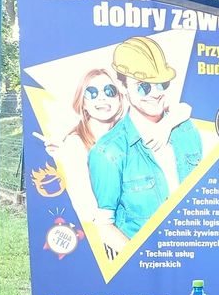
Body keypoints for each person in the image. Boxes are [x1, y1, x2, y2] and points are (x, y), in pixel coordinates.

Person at [88, 36, 203, 255]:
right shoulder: (108, 152)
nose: (156, 92)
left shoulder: (187, 131)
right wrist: (143, 264)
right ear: (122, 86)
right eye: (144, 87)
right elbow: (103, 225)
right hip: (144, 270)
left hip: (192, 259)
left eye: (162, 84)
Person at [37, 68, 190, 225]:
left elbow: (184, 109)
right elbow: (87, 212)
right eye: (92, 93)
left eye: (109, 91)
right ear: (83, 102)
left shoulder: (128, 132)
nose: (102, 98)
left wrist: (165, 126)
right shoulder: (75, 145)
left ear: (120, 96)